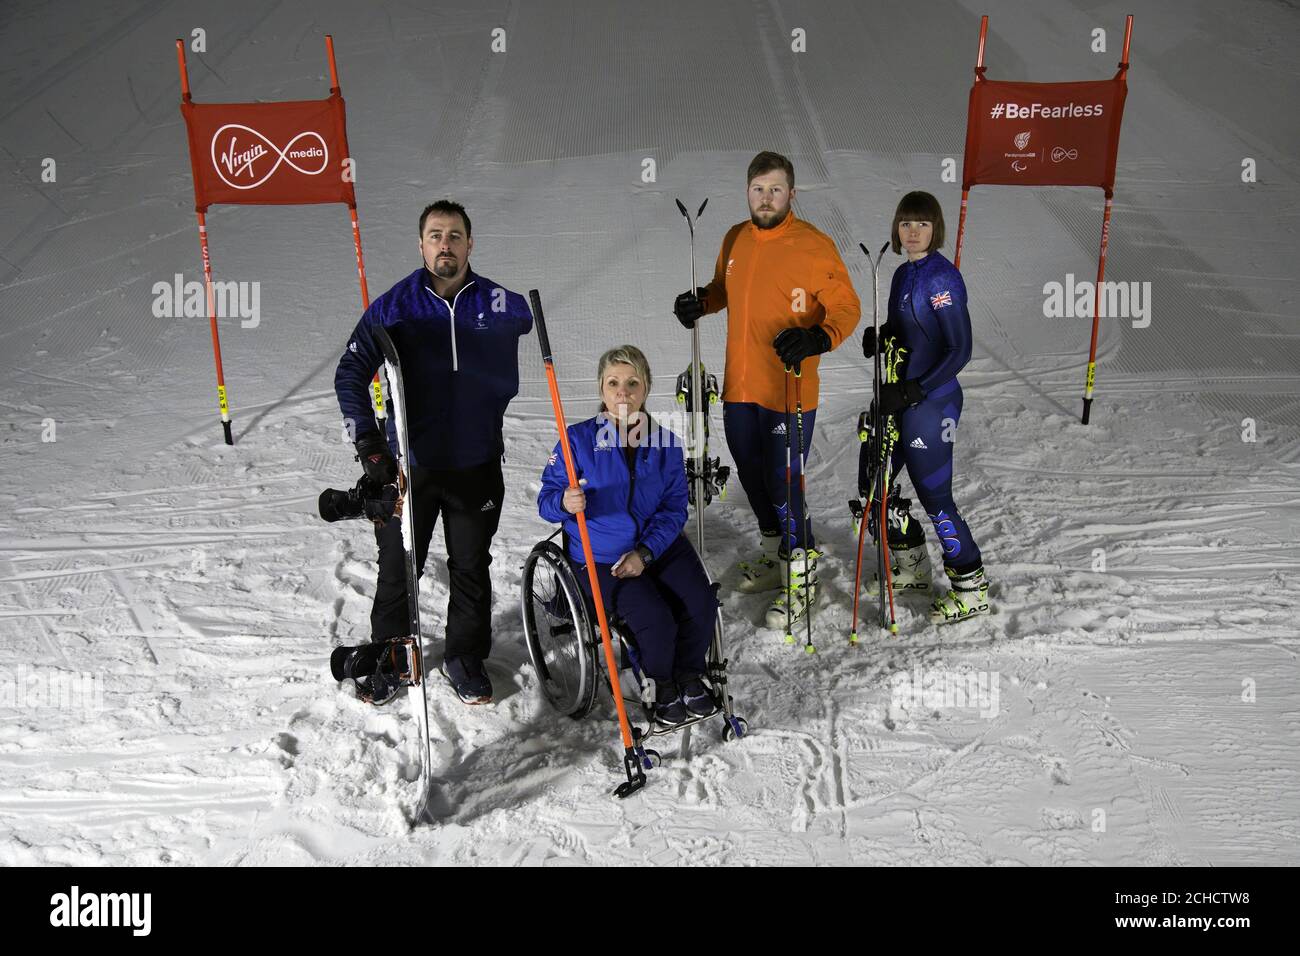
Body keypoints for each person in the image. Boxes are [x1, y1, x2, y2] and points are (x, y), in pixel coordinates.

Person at [332, 199, 534, 703]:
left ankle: (465, 659)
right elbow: (351, 370)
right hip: (410, 466)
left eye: (455, 235)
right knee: (400, 566)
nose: (446, 244)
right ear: (421, 245)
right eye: (436, 235)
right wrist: (368, 443)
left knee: (471, 564)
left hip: (477, 463)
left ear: (470, 243)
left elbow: (527, 317)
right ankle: (391, 657)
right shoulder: (395, 306)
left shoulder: (497, 302)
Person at [672, 151, 861, 628]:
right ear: (748, 192)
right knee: (752, 477)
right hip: (740, 385)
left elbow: (847, 307)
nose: (766, 197)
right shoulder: (736, 237)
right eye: (758, 189)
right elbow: (722, 288)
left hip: (789, 391)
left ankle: (802, 574)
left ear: (791, 194)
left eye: (776, 189)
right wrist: (701, 303)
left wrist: (818, 337)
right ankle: (778, 555)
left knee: (783, 482)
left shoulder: (813, 245)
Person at [537, 346, 721, 729]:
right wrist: (565, 502)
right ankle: (660, 683)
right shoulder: (578, 441)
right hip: (603, 555)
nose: (624, 391)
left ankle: (688, 673)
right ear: (602, 389)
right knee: (655, 618)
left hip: (659, 546)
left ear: (647, 387)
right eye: (614, 382)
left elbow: (674, 508)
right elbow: (545, 502)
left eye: (633, 382)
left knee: (701, 602)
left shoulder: (666, 442)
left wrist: (647, 552)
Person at [864, 190, 990, 624]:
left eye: (921, 224)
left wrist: (914, 389)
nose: (913, 232)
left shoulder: (941, 279)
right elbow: (906, 331)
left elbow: (960, 349)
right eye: (905, 224)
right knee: (873, 484)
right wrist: (882, 336)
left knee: (935, 497)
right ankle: (912, 566)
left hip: (930, 403)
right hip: (899, 396)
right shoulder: (903, 274)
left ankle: (970, 586)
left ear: (935, 228)